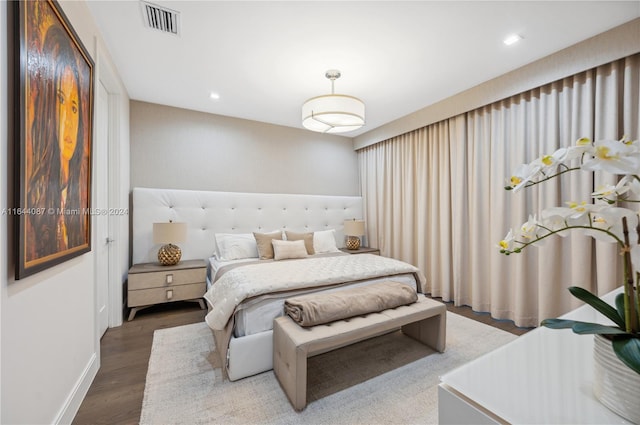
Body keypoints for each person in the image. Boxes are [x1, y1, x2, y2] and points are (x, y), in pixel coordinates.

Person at [27, 25, 86, 261]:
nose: (67, 123)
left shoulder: (75, 190)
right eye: (60, 101)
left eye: (73, 107)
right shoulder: (37, 194)